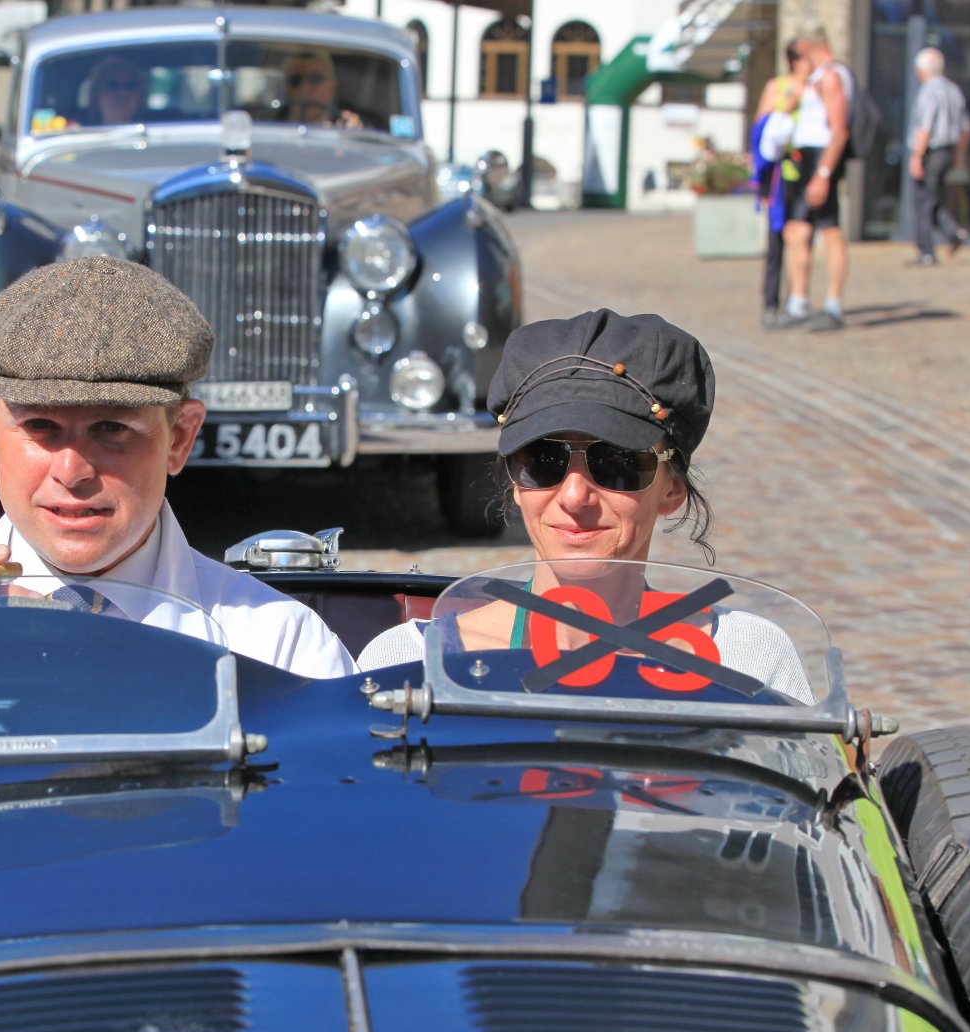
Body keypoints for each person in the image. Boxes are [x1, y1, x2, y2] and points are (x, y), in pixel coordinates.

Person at [0, 257, 356, 678]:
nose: (73, 470)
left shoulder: (277, 648)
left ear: (180, 437)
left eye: (111, 429)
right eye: (40, 427)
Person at [356, 309, 810, 702]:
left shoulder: (747, 659)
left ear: (672, 489)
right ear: (515, 483)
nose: (574, 496)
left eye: (616, 463)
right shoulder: (410, 664)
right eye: (542, 460)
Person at [781, 22, 853, 332]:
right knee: (797, 230)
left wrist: (823, 174)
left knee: (830, 230)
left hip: (821, 160)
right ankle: (797, 302)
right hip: (807, 158)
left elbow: (839, 131)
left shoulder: (832, 76)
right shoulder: (818, 76)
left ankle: (833, 304)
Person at [753, 40, 811, 329]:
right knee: (776, 241)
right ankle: (771, 304)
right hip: (780, 173)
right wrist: (787, 107)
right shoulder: (778, 87)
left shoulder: (815, 87)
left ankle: (797, 301)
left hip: (805, 171)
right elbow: (760, 127)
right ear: (796, 60)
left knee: (802, 238)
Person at [906, 47, 970, 267]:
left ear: (921, 70)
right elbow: (966, 129)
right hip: (948, 150)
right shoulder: (953, 90)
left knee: (923, 201)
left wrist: (917, 156)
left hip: (931, 151)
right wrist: (958, 156)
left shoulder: (929, 91)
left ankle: (926, 251)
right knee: (933, 197)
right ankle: (953, 231)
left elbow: (925, 127)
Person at [279, 50, 362, 129]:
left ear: (331, 86)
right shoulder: (272, 123)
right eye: (295, 80)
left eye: (315, 79)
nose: (304, 89)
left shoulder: (342, 126)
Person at [85, 56, 147, 126]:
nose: (122, 94)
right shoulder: (78, 131)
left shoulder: (154, 130)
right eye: (112, 86)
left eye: (130, 87)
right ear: (96, 96)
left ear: (140, 98)